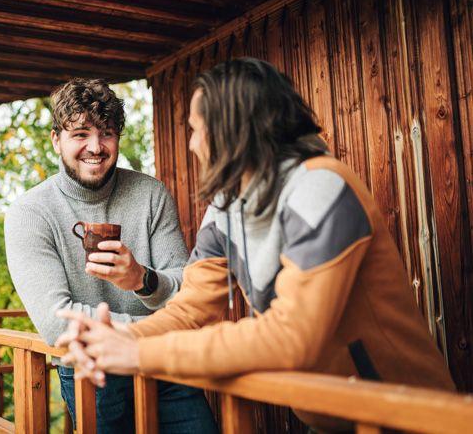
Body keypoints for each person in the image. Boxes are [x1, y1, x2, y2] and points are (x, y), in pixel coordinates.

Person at [56, 59, 456, 431]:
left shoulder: (321, 188)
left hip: (409, 415)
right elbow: (190, 310)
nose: (192, 144)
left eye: (197, 128)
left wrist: (138, 356)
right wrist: (119, 339)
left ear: (233, 128)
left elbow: (292, 336)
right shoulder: (226, 207)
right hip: (335, 417)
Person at [4, 78, 217, 433]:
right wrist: (156, 333)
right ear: (56, 139)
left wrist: (143, 280)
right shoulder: (30, 212)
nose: (95, 146)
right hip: (95, 369)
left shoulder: (151, 194)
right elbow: (58, 323)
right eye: (80, 134)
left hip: (165, 367)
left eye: (106, 133)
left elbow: (186, 287)